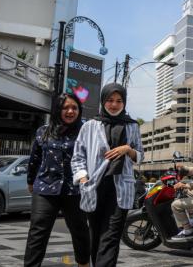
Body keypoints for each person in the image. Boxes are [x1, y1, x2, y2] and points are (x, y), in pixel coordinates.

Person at [71, 83, 143, 267]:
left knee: (111, 235)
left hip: (120, 186)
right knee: (96, 234)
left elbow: (140, 156)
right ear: (103, 101)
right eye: (110, 100)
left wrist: (128, 149)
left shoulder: (132, 126)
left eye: (119, 101)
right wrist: (83, 179)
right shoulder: (90, 126)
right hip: (95, 186)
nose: (114, 105)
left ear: (124, 103)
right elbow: (78, 156)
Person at [24, 94, 90, 267]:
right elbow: (35, 159)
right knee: (37, 231)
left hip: (74, 190)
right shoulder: (43, 131)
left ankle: (83, 263)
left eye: (74, 108)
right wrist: (31, 181)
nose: (70, 111)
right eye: (65, 107)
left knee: (80, 231)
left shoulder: (85, 132)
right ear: (57, 110)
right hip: (45, 188)